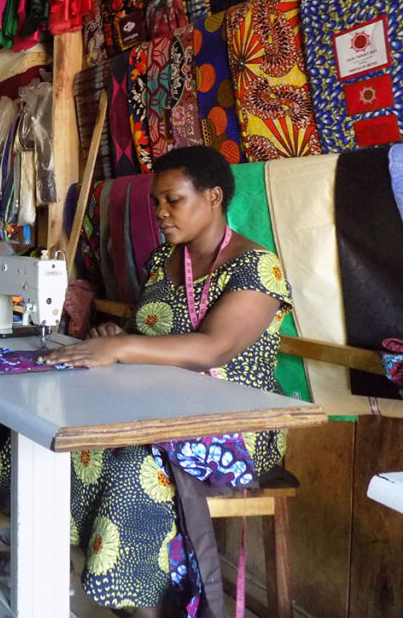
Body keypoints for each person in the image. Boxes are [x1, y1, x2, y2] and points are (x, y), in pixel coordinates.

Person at [37, 146, 293, 617]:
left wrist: (123, 348)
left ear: (214, 197)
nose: (160, 213)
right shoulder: (162, 261)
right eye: (157, 203)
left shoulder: (256, 267)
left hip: (237, 424)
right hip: (163, 407)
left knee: (134, 463)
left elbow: (213, 348)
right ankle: (59, 565)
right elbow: (149, 331)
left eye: (173, 200)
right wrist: (118, 335)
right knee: (69, 437)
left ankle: (146, 604)